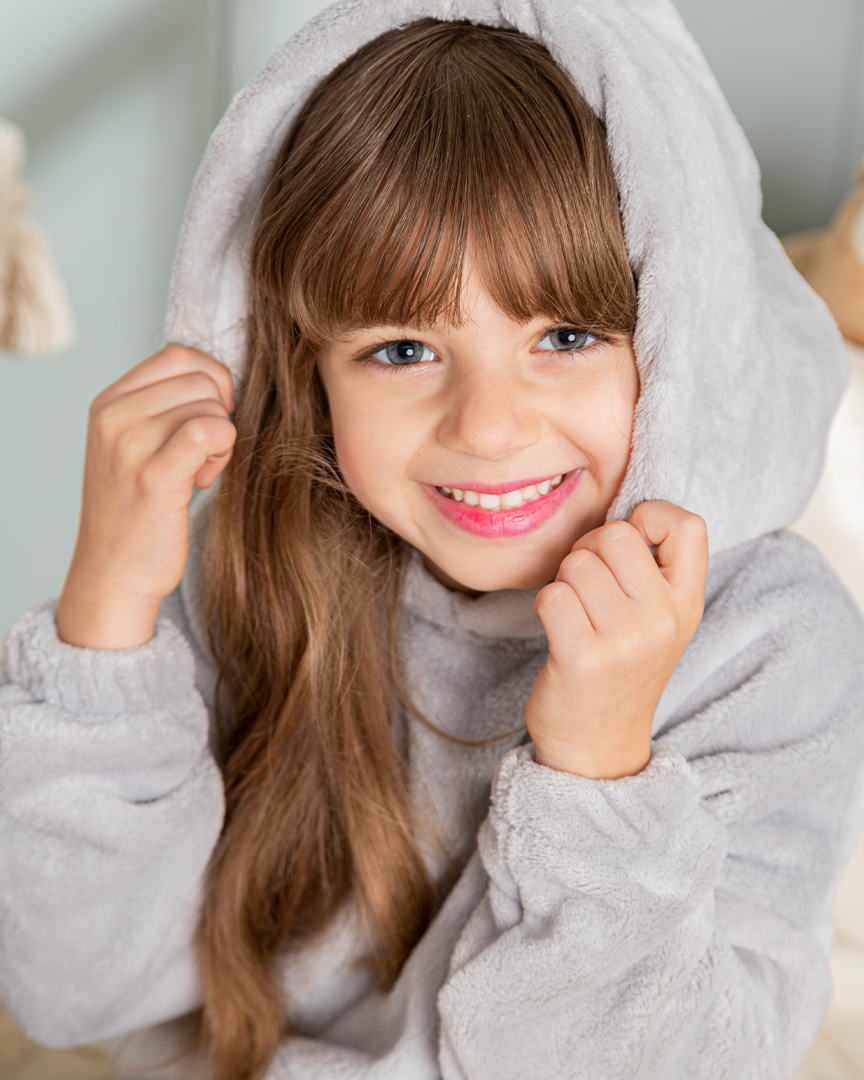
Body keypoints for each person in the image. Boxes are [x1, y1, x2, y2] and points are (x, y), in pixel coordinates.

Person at [1, 5, 863, 1080]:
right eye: (404, 347)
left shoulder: (769, 643)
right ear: (308, 373)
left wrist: (599, 770)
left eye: (567, 335)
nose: (489, 427)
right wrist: (105, 621)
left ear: (681, 335)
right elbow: (77, 987)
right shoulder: (264, 561)